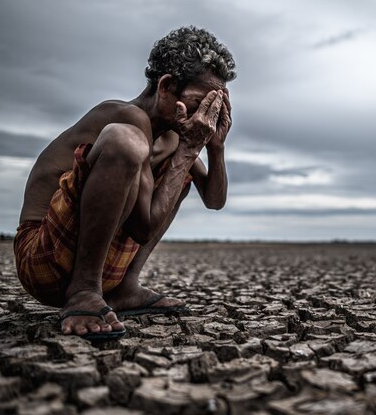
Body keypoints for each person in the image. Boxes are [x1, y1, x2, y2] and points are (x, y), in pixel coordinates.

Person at [13, 26, 235, 340]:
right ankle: (84, 290)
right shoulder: (127, 118)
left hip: (102, 267)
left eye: (214, 108)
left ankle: (125, 288)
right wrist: (188, 150)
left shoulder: (172, 137)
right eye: (201, 103)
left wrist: (215, 146)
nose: (205, 116)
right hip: (43, 259)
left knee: (177, 171)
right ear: (167, 86)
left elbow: (214, 200)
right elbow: (141, 228)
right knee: (125, 142)